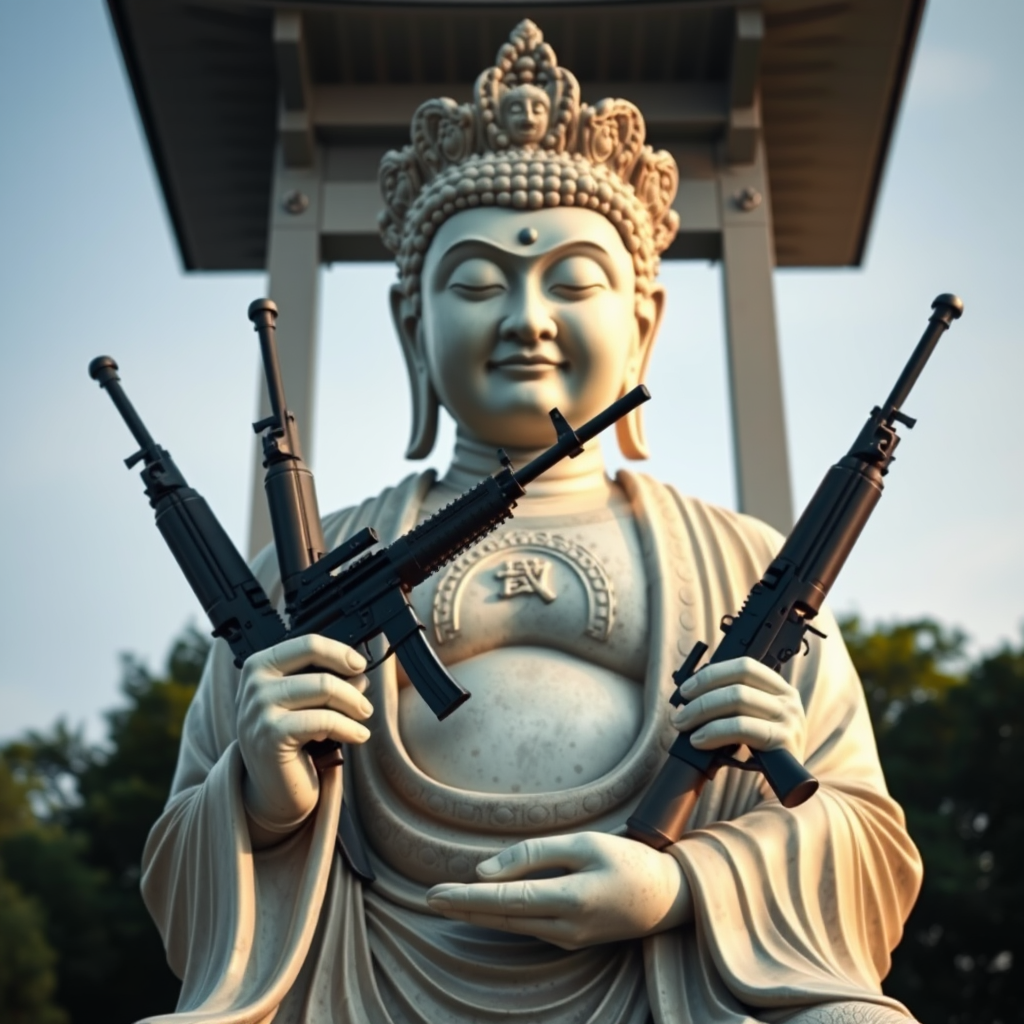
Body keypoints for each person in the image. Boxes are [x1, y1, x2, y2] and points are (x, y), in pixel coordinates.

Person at [140, 21, 922, 1024]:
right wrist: (260, 792)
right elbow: (175, 871)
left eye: (573, 280)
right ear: (411, 326)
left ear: (644, 322)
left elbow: (865, 840)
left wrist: (683, 886)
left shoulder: (743, 561)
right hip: (368, 967)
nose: (527, 317)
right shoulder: (308, 570)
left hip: (669, 973)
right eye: (475, 282)